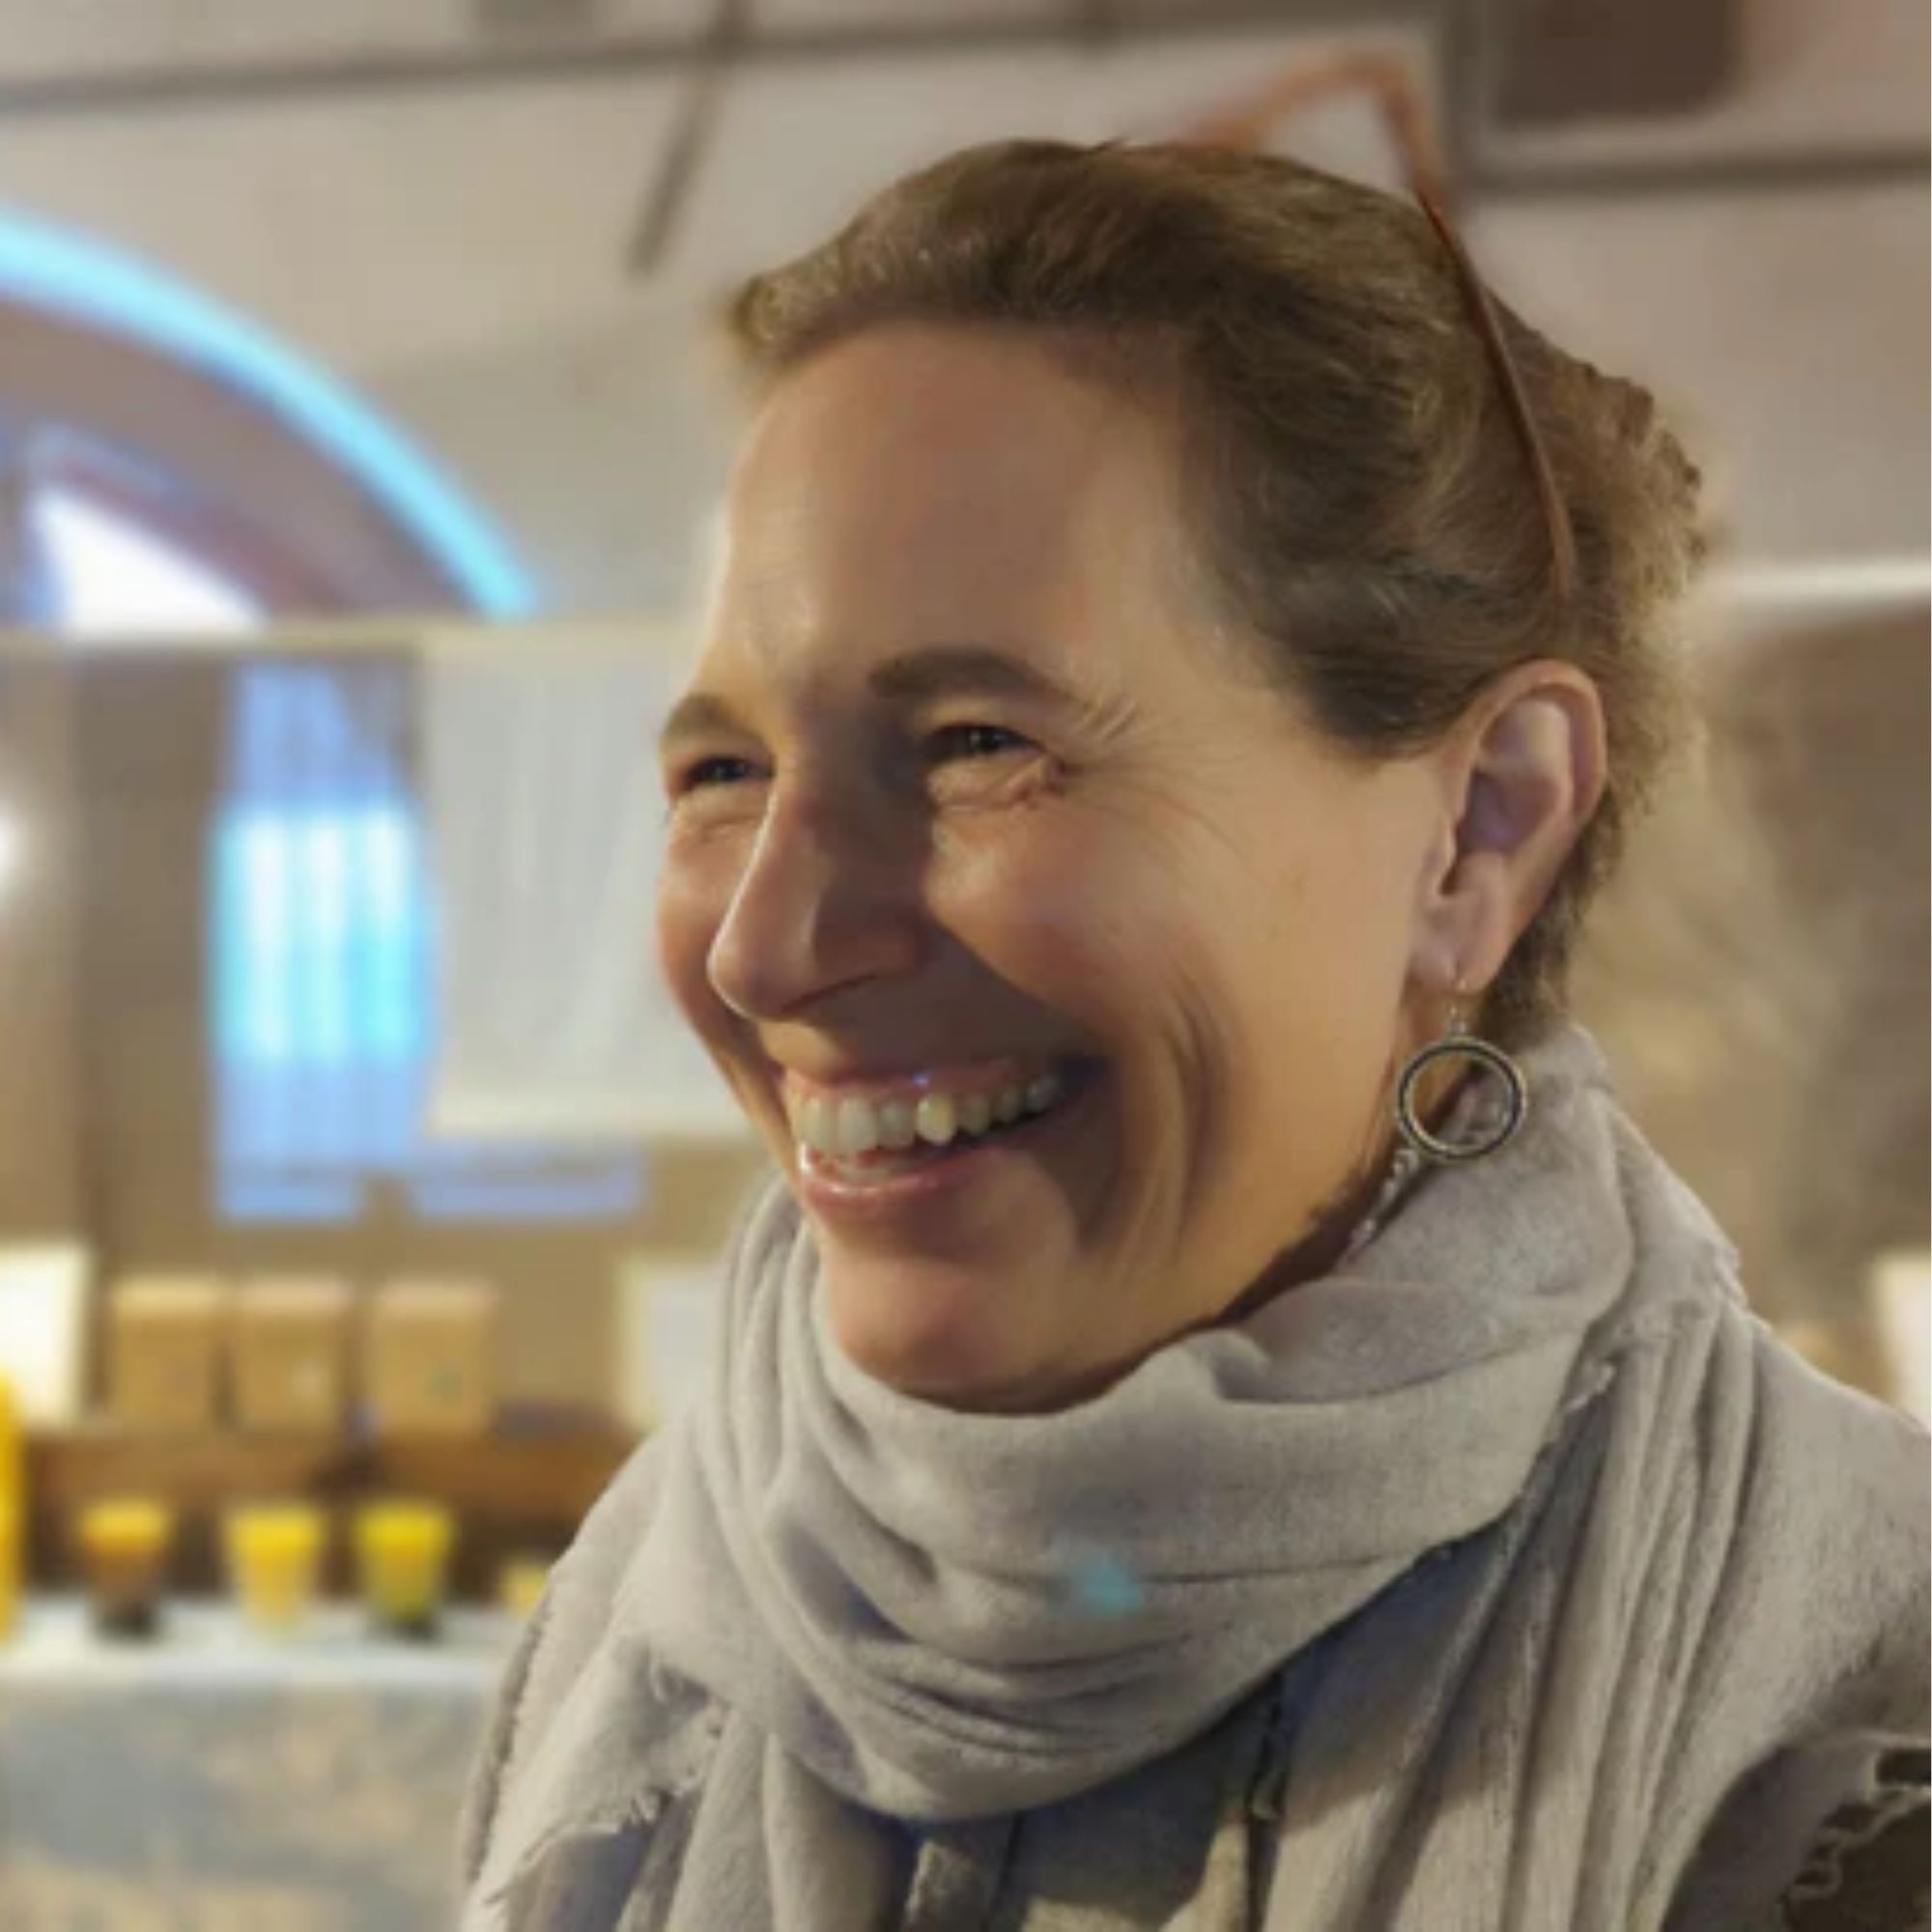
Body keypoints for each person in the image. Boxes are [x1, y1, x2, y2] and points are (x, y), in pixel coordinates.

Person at [458, 140, 1928, 1931]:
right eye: (724, 771)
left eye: (976, 744)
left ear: (1477, 833)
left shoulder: (1849, 1734)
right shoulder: (642, 1632)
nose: (768, 949)